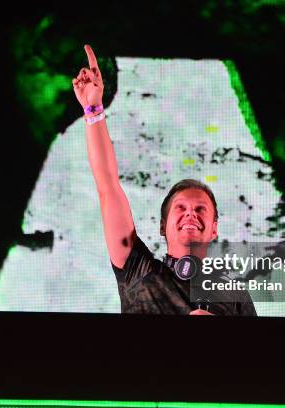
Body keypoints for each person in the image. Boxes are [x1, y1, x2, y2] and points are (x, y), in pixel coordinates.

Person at [72, 44, 257, 316]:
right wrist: (93, 110)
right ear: (162, 226)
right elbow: (108, 187)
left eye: (200, 209)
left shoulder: (236, 296)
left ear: (214, 228)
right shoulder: (137, 271)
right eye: (180, 208)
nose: (190, 214)